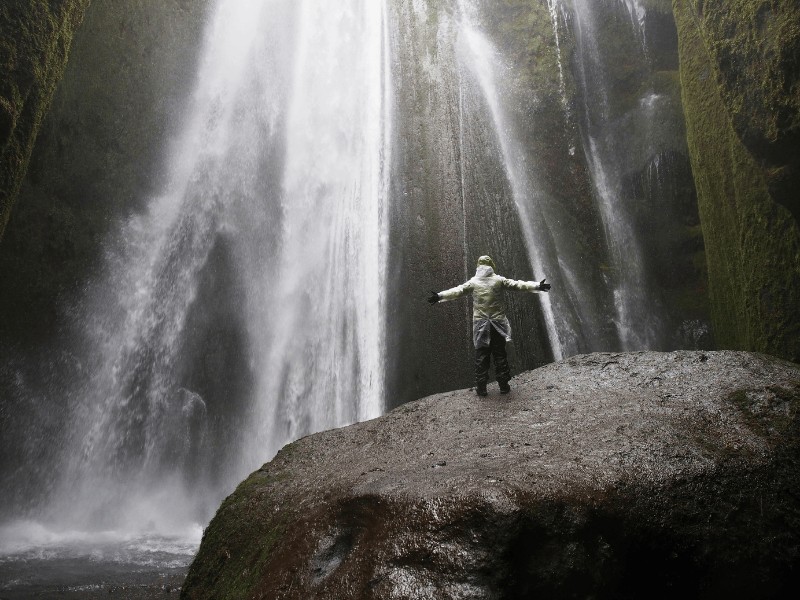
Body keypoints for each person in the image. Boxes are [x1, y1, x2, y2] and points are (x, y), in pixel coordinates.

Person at [428, 255, 550, 397]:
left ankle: (481, 388)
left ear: (478, 267)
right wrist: (537, 286)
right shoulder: (498, 280)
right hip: (498, 323)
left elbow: (457, 291)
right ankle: (503, 386)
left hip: (481, 324)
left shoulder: (473, 283)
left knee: (482, 354)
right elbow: (517, 285)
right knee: (500, 354)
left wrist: (439, 296)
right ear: (491, 265)